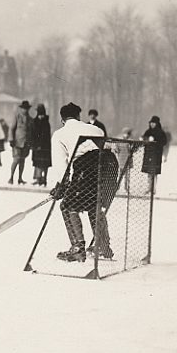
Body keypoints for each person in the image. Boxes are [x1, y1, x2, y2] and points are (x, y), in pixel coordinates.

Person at [49, 102, 118, 262]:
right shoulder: (95, 129)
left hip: (86, 168)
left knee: (67, 206)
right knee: (95, 205)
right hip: (109, 167)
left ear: (62, 119)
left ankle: (78, 248)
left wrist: (61, 186)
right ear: (79, 116)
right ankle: (103, 246)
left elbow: (61, 164)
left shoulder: (60, 134)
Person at [8, 100, 33, 185]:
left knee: (22, 160)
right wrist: (11, 139)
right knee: (16, 160)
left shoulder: (30, 119)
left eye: (26, 108)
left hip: (26, 143)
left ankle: (20, 178)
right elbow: (11, 128)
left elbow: (31, 132)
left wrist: (31, 143)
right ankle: (11, 177)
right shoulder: (17, 117)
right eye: (23, 108)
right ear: (21, 109)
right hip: (17, 142)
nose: (25, 110)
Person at [141, 116, 167, 193]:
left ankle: (153, 189)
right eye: (151, 123)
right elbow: (144, 139)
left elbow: (164, 142)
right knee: (149, 173)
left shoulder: (161, 132)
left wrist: (155, 142)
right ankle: (149, 188)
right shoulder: (147, 132)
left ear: (157, 123)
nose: (152, 124)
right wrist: (145, 139)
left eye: (154, 123)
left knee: (154, 173)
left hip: (156, 155)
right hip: (148, 154)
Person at [30, 104, 52, 186]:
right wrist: (34, 145)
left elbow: (46, 135)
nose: (41, 116)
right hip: (37, 146)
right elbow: (32, 134)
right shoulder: (35, 122)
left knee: (44, 164)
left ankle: (44, 179)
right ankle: (39, 178)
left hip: (45, 146)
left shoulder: (46, 122)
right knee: (38, 163)